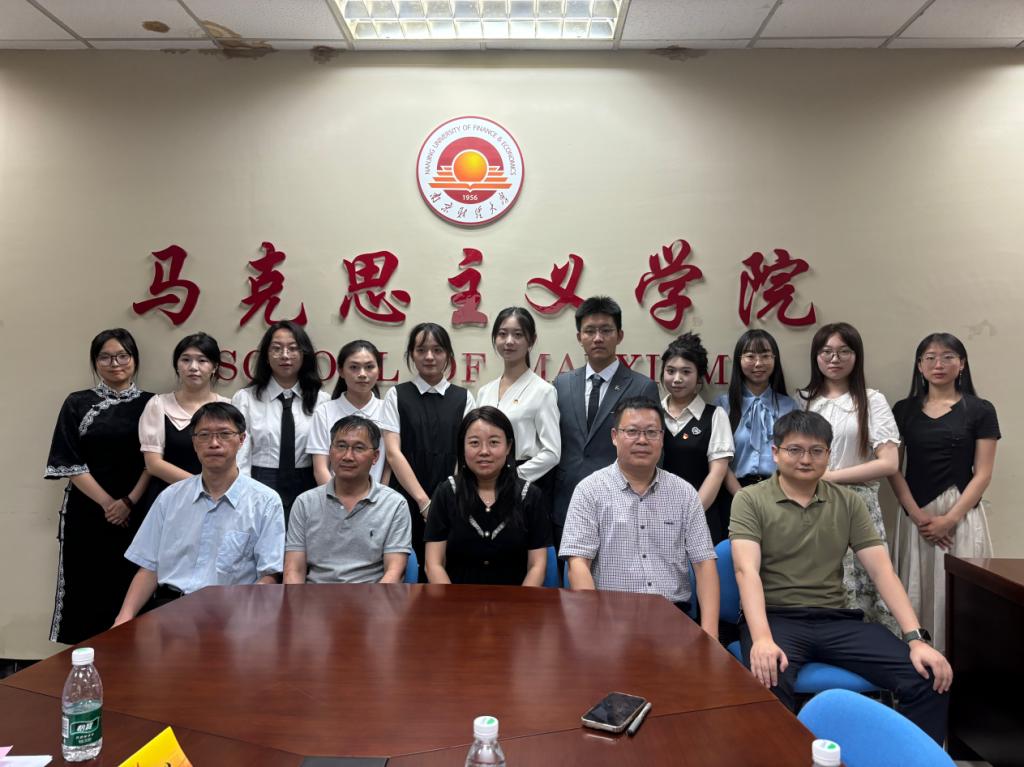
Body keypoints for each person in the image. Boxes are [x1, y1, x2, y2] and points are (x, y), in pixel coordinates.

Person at [730, 410, 952, 744]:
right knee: (767, 678)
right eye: (794, 450)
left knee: (928, 676)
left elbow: (882, 571)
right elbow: (746, 571)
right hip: (777, 618)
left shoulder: (848, 502)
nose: (806, 459)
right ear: (775, 452)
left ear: (828, 455)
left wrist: (916, 639)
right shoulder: (750, 499)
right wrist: (761, 638)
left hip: (835, 619)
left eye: (816, 451)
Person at [559, 397, 719, 636]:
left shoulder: (684, 493)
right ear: (615, 436)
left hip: (673, 619)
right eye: (632, 431)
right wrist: (593, 626)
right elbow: (578, 564)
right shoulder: (589, 490)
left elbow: (704, 563)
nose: (642, 440)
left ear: (662, 438)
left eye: (651, 432)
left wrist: (710, 635)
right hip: (610, 618)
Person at [114, 403, 285, 624]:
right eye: (204, 435)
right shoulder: (170, 498)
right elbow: (149, 568)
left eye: (224, 434)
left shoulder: (266, 502)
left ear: (242, 439)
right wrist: (123, 619)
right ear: (194, 442)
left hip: (232, 615)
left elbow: (269, 576)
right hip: (169, 611)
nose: (214, 443)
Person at [888, 333, 1000, 653]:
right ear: (919, 366)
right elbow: (893, 468)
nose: (939, 364)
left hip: (961, 514)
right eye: (930, 357)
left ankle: (964, 665)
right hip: (916, 516)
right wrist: (918, 516)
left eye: (948, 356)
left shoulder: (980, 410)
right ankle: (918, 660)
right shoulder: (904, 410)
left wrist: (949, 520)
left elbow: (983, 474)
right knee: (915, 589)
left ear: (962, 364)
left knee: (963, 595)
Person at [44, 329, 154, 643]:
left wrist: (128, 502)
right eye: (105, 357)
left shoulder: (153, 404)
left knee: (134, 588)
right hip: (88, 513)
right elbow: (68, 461)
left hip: (140, 512)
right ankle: (86, 663)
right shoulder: (77, 403)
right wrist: (108, 503)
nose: (114, 363)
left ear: (134, 359)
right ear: (95, 362)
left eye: (122, 356)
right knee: (86, 590)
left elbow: (154, 459)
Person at [798, 322, 900, 634]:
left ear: (856, 356)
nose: (835, 358)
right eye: (826, 351)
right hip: (810, 504)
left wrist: (830, 476)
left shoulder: (871, 400)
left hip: (858, 504)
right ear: (816, 356)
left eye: (844, 351)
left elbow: (889, 463)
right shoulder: (804, 400)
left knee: (866, 579)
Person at [552, 297, 659, 555]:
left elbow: (654, 451)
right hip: (566, 502)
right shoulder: (562, 384)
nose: (597, 338)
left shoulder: (642, 386)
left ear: (619, 335)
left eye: (606, 330)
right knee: (569, 576)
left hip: (621, 506)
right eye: (590, 331)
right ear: (579, 337)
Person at [383, 322, 476, 581]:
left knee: (447, 568)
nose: (429, 356)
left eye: (437, 350)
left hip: (453, 499)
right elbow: (393, 453)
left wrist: (448, 497)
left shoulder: (464, 398)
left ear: (448, 355)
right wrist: (424, 502)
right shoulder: (397, 395)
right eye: (421, 350)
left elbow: (465, 453)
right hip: (406, 498)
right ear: (411, 354)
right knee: (407, 570)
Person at [425, 407, 551, 586]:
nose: (484, 451)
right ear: (462, 447)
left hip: (516, 600)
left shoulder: (530, 496)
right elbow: (433, 565)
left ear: (508, 447)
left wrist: (521, 602)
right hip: (456, 599)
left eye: (493, 442)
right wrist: (451, 602)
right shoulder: (446, 493)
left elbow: (537, 566)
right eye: (474, 443)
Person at [284, 415, 411, 585]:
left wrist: (372, 602)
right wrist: (297, 601)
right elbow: (294, 569)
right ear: (330, 451)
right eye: (341, 446)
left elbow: (394, 572)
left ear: (375, 456)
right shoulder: (305, 503)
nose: (348, 456)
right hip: (316, 597)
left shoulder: (394, 505)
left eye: (358, 448)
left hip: (371, 596)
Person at [232, 321, 328, 523]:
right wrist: (243, 493)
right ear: (266, 356)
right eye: (276, 348)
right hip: (259, 482)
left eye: (293, 348)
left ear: (304, 354)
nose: (285, 355)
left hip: (309, 484)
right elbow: (241, 454)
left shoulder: (322, 401)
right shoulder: (246, 399)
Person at [659, 333, 734, 544]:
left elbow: (717, 473)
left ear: (699, 376)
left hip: (702, 518)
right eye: (670, 371)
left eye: (686, 372)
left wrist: (689, 517)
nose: (677, 379)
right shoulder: (652, 413)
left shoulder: (715, 415)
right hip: (655, 517)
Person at [138, 332, 229, 506]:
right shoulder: (158, 405)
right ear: (177, 366)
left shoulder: (228, 407)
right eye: (186, 360)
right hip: (169, 498)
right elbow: (153, 464)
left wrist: (213, 492)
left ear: (214, 367)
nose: (193, 367)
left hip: (219, 499)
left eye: (202, 360)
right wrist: (203, 488)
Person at [476, 307, 561, 489]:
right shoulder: (484, 392)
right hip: (486, 478)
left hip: (524, 482)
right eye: (502, 334)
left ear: (531, 340)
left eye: (518, 335)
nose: (509, 341)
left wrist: (514, 477)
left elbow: (552, 452)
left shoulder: (543, 391)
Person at [713, 329, 796, 492]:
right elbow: (718, 460)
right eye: (750, 356)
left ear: (775, 359)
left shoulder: (789, 406)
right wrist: (741, 496)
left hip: (779, 491)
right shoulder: (723, 405)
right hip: (733, 492)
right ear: (739, 360)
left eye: (765, 356)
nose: (758, 363)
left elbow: (795, 455)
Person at [308, 340, 396, 487]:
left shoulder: (388, 410)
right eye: (354, 367)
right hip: (333, 496)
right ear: (341, 371)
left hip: (377, 498)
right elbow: (320, 468)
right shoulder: (324, 412)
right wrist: (337, 498)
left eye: (369, 367)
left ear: (379, 370)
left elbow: (389, 465)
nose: (362, 374)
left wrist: (379, 497)